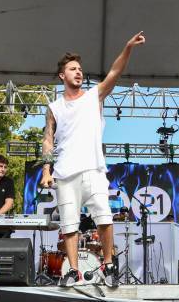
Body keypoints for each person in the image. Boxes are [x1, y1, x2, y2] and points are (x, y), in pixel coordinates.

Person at [40, 31, 146, 287]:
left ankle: (109, 264)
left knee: (104, 218)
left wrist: (128, 47)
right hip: (65, 174)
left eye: (80, 68)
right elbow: (48, 138)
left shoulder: (93, 96)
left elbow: (114, 72)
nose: (78, 72)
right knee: (69, 225)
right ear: (62, 75)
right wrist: (46, 170)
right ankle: (73, 270)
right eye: (72, 69)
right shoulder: (54, 107)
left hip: (94, 170)